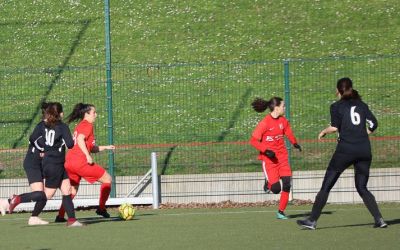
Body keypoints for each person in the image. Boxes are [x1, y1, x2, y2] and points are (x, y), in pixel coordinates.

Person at [297, 77, 387, 230]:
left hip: (345, 150)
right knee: (362, 187)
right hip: (364, 150)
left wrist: (323, 132)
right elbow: (373, 123)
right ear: (351, 89)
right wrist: (363, 134)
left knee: (327, 185)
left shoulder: (336, 106)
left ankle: (312, 220)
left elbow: (334, 127)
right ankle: (379, 219)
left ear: (338, 91)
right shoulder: (362, 105)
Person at [3, 102, 83, 227]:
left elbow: (33, 138)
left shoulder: (42, 125)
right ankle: (17, 199)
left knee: (67, 189)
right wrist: (72, 139)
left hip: (50, 163)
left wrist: (43, 148)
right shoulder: (62, 127)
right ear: (60, 114)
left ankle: (72, 220)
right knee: (45, 195)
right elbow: (70, 144)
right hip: (55, 163)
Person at [55, 103, 115, 222]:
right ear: (86, 114)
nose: (96, 115)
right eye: (94, 112)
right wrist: (87, 156)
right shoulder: (87, 125)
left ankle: (60, 216)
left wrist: (106, 147)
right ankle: (101, 208)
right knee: (107, 179)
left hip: (69, 162)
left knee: (72, 190)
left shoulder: (80, 126)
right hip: (80, 162)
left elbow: (91, 148)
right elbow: (80, 139)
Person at [250, 97, 302, 219]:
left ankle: (281, 212)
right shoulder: (265, 123)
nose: (285, 108)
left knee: (287, 184)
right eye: (283, 106)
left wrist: (294, 143)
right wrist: (266, 151)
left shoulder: (283, 121)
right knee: (276, 189)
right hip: (269, 160)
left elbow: (288, 132)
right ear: (276, 108)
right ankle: (268, 184)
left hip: (282, 158)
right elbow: (253, 141)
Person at [0, 102, 49, 225]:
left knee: (44, 195)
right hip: (33, 163)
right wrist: (42, 150)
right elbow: (33, 140)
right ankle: (15, 203)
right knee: (41, 195)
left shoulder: (53, 127)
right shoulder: (41, 126)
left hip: (42, 164)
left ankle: (8, 202)